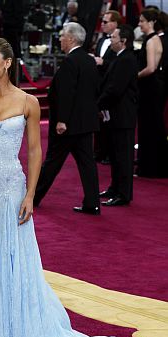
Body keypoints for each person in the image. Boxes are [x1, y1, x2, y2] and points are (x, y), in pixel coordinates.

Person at [0, 37, 131, 337]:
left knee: (14, 263)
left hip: (11, 191)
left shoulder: (29, 102)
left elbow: (35, 151)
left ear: (7, 63)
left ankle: (14, 331)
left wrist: (31, 195)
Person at [34, 22, 100, 215]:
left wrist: (62, 120)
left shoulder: (71, 61)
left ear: (71, 38)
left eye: (62, 35)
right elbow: (94, 90)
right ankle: (93, 203)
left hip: (68, 125)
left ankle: (34, 197)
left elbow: (66, 93)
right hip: (85, 123)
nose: (60, 39)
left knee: (52, 162)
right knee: (87, 164)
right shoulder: (89, 60)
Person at [98, 25, 138, 206]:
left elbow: (115, 89)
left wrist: (97, 104)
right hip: (114, 114)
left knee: (123, 156)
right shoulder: (119, 58)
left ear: (124, 41)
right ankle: (115, 188)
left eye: (113, 37)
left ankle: (123, 193)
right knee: (115, 155)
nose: (111, 40)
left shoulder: (127, 59)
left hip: (123, 115)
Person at [137, 9, 168, 177]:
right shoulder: (154, 39)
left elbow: (151, 68)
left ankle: (151, 167)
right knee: (152, 125)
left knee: (150, 126)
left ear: (151, 22)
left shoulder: (152, 40)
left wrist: (134, 76)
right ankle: (151, 166)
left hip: (151, 87)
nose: (139, 24)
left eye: (142, 21)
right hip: (153, 87)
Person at [94, 10, 122, 164]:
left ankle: (109, 153)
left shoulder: (119, 44)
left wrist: (103, 63)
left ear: (115, 23)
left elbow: (120, 65)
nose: (102, 24)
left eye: (106, 22)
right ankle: (99, 151)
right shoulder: (100, 41)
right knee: (98, 121)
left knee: (110, 121)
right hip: (99, 86)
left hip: (111, 87)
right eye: (102, 21)